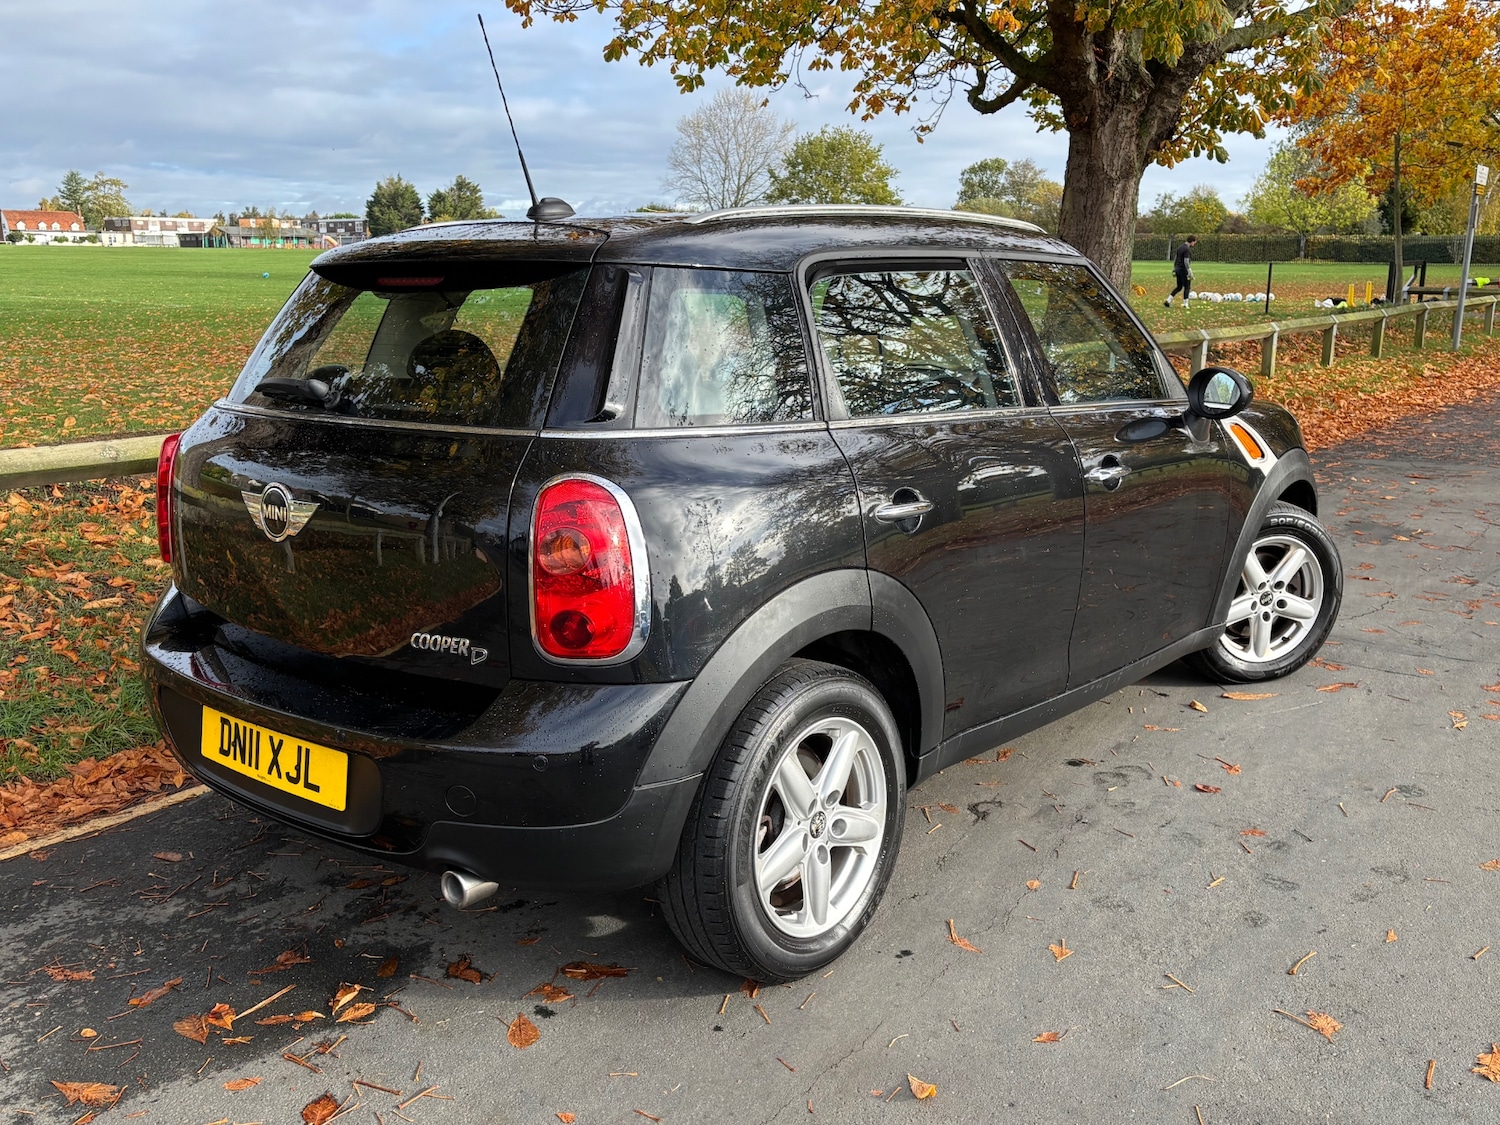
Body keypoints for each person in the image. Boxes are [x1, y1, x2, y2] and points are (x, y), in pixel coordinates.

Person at [1164, 235, 1197, 308]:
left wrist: (1175, 268)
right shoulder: (1187, 249)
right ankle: (1186, 304)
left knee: (1179, 287)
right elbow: (1186, 261)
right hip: (1184, 270)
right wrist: (1189, 271)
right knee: (1187, 287)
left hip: (1178, 269)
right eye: (1194, 242)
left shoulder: (1180, 247)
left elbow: (1176, 259)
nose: (1194, 244)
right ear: (1192, 241)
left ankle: (1168, 300)